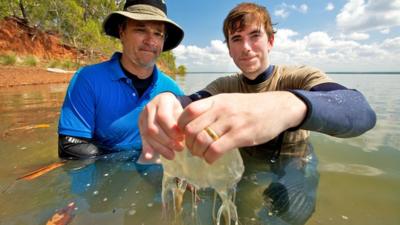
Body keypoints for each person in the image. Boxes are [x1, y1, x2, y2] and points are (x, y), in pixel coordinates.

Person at [138, 2, 376, 164]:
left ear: (270, 41)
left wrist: (286, 105)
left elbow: (359, 110)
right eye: (237, 39)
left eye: (255, 36)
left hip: (293, 163)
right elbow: (191, 101)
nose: (247, 48)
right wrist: (168, 100)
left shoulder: (300, 77)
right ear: (229, 49)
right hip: (246, 163)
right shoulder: (224, 86)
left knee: (289, 214)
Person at [57, 0, 184, 159]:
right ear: (122, 32)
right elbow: (70, 147)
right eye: (140, 29)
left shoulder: (173, 90)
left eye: (158, 33)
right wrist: (128, 160)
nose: (150, 40)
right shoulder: (88, 80)